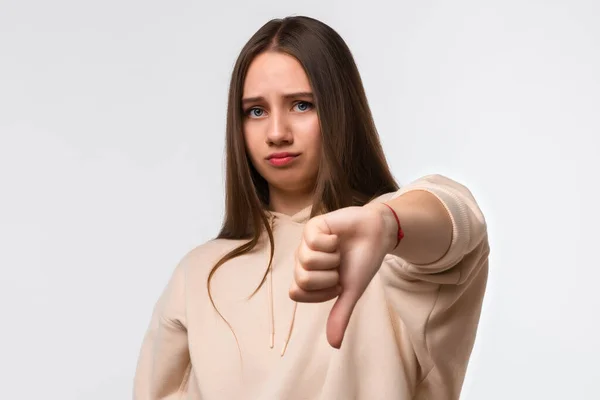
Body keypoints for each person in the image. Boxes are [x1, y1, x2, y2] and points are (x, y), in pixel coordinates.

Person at [133, 15, 489, 400]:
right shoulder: (197, 275)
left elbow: (460, 220)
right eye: (256, 111)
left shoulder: (392, 256)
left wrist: (388, 225)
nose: (276, 133)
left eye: (301, 105)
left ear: (340, 111)